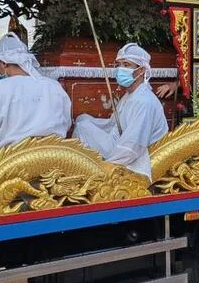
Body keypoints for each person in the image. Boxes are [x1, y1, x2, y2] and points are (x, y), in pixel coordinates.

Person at [0, 32, 72, 152]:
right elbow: (67, 123)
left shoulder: (0, 88)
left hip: (15, 162)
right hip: (54, 158)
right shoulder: (54, 87)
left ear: (4, 63)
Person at [72, 43, 168, 181]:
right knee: (83, 119)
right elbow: (113, 125)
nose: (120, 69)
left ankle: (85, 171)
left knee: (83, 127)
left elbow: (133, 146)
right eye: (119, 65)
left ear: (140, 71)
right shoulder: (130, 95)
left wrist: (106, 167)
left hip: (136, 157)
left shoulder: (143, 101)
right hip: (118, 142)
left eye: (126, 65)